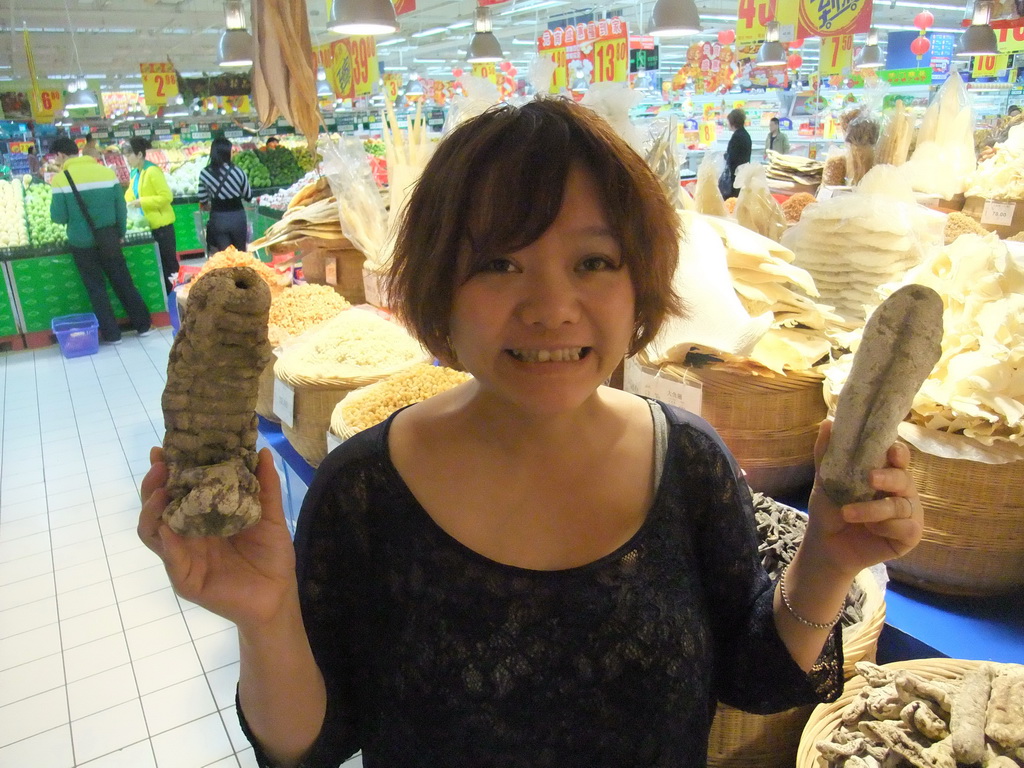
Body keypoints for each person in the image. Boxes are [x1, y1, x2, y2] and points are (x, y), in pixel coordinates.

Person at [139, 99, 923, 768]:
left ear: (638, 282)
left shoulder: (690, 466)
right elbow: (310, 746)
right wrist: (264, 615)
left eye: (593, 262)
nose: (551, 305)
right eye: (500, 265)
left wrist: (829, 554)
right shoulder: (364, 490)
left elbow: (754, 679)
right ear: (441, 287)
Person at [49, 136, 151, 344]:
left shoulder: (60, 179)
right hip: (109, 239)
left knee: (97, 289)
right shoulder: (106, 173)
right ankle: (143, 325)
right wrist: (119, 233)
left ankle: (113, 335)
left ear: (60, 155)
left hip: (81, 244)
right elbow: (120, 208)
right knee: (123, 282)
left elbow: (58, 217)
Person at [124, 137, 178, 290]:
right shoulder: (135, 173)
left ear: (139, 154)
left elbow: (166, 197)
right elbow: (130, 193)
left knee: (169, 266)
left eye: (129, 155)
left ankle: (177, 298)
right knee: (159, 266)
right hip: (147, 227)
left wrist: (142, 201)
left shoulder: (152, 171)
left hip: (162, 227)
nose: (126, 159)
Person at [199, 137, 252, 253]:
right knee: (240, 255)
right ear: (227, 152)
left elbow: (202, 198)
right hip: (238, 218)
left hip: (218, 219)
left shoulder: (205, 173)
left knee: (225, 256)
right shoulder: (239, 172)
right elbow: (248, 195)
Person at [723, 108, 752, 199]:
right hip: (743, 173)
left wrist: (724, 156)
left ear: (732, 122)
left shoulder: (736, 137)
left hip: (735, 176)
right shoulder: (746, 135)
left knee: (732, 201)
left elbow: (732, 157)